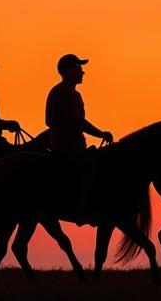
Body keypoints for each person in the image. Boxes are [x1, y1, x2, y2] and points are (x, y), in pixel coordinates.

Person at [45, 54, 113, 224]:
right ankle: (83, 209)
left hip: (74, 145)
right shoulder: (63, 92)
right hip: (67, 147)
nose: (82, 72)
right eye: (78, 68)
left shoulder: (72, 93)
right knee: (90, 170)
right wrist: (101, 133)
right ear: (67, 71)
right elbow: (78, 122)